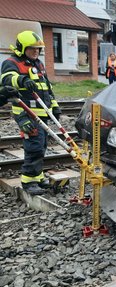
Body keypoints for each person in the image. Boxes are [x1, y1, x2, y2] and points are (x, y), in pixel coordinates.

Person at [1, 30, 62, 195]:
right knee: (34, 148)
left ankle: (38, 177)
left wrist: (54, 105)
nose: (36, 52)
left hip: (42, 113)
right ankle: (28, 182)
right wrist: (21, 79)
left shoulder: (38, 64)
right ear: (22, 48)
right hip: (26, 114)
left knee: (42, 146)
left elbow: (47, 87)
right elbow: (7, 79)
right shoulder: (11, 62)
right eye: (31, 49)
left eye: (38, 49)